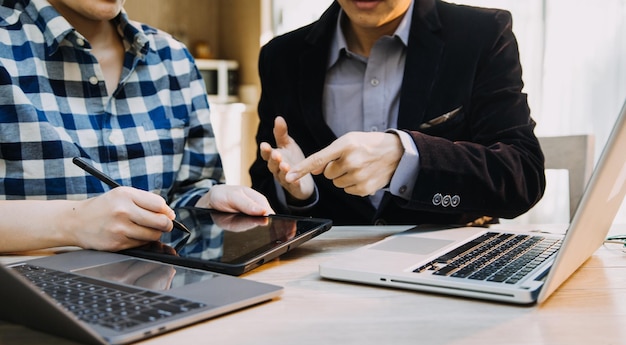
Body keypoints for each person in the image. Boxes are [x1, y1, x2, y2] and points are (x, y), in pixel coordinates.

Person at [0, 0, 273, 253]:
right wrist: (73, 222)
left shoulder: (173, 59)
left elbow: (184, 192)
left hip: (161, 291)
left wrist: (206, 202)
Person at [251, 0, 546, 225]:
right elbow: (263, 186)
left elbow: (522, 176)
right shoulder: (281, 56)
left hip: (452, 276)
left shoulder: (481, 35)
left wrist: (409, 158)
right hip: (324, 282)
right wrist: (297, 195)